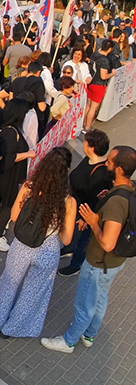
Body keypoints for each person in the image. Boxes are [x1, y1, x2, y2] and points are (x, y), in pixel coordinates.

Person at [42, 145, 136, 353]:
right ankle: (89, 334)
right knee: (100, 298)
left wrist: (94, 222)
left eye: (110, 162)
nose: (106, 165)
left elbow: (108, 242)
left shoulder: (116, 204)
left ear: (119, 169)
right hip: (113, 263)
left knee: (85, 304)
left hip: (98, 263)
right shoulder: (130, 188)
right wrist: (94, 220)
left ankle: (69, 341)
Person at [0, 147, 77, 339]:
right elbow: (67, 239)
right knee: (33, 292)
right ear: (67, 170)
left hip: (22, 245)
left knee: (9, 282)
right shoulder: (68, 201)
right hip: (48, 250)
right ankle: (11, 329)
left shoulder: (30, 187)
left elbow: (13, 216)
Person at [59, 130, 113, 277]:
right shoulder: (89, 159)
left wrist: (84, 218)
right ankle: (68, 247)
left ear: (92, 148)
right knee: (71, 232)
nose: (83, 143)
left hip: (84, 213)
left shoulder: (100, 173)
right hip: (75, 206)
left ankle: (76, 264)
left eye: (86, 142)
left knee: (82, 239)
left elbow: (96, 199)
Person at [0, 98, 36, 251]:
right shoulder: (11, 132)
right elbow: (9, 157)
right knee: (7, 205)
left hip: (6, 175)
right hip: (8, 176)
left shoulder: (7, 129)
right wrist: (28, 154)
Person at [85, 39, 118, 133]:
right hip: (99, 85)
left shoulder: (94, 55)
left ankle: (84, 124)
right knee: (93, 108)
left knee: (88, 105)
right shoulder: (104, 60)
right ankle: (88, 126)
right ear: (110, 49)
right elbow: (104, 76)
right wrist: (112, 74)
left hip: (90, 82)